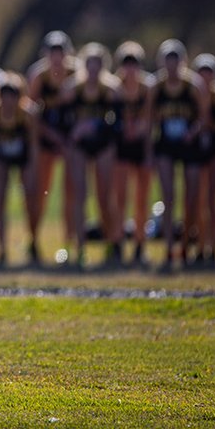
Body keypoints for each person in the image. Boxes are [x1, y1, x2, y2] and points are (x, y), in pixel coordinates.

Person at [144, 39, 209, 273]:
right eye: (167, 62)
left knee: (191, 197)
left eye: (175, 62)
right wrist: (149, 152)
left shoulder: (193, 85)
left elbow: (204, 117)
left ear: (183, 62)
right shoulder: (156, 87)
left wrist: (193, 132)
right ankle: (169, 248)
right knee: (168, 196)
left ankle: (186, 245)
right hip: (166, 145)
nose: (171, 67)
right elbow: (150, 121)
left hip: (188, 144)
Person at [63, 43, 120, 268]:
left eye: (98, 66)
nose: (94, 70)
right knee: (79, 195)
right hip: (79, 147)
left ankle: (110, 241)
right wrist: (74, 132)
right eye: (90, 65)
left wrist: (95, 126)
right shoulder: (72, 89)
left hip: (103, 146)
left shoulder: (111, 90)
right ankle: (80, 246)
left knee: (105, 195)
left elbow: (118, 123)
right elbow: (62, 119)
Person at [26, 31, 77, 265]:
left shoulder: (76, 74)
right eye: (52, 53)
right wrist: (49, 135)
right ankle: (34, 240)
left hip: (71, 139)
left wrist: (69, 139)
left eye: (60, 53)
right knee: (41, 190)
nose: (57, 58)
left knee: (72, 192)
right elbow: (31, 113)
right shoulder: (39, 75)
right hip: (47, 138)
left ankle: (69, 243)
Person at [0, 73, 39, 267]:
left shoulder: (28, 114)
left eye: (13, 94)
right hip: (0, 155)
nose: (8, 99)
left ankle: (33, 240)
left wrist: (32, 169)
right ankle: (2, 248)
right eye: (4, 94)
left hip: (22, 156)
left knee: (30, 197)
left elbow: (33, 144)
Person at [112, 42, 153, 267]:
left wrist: (147, 151)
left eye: (134, 64)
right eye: (126, 64)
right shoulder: (115, 88)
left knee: (141, 198)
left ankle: (140, 243)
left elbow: (147, 121)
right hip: (121, 146)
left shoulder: (147, 88)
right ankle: (118, 242)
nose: (130, 69)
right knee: (120, 197)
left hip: (140, 144)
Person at [192, 54, 215, 268]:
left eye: (209, 73)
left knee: (212, 201)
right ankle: (200, 245)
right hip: (197, 151)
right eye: (201, 73)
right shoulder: (192, 95)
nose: (205, 77)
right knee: (198, 200)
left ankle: (213, 247)